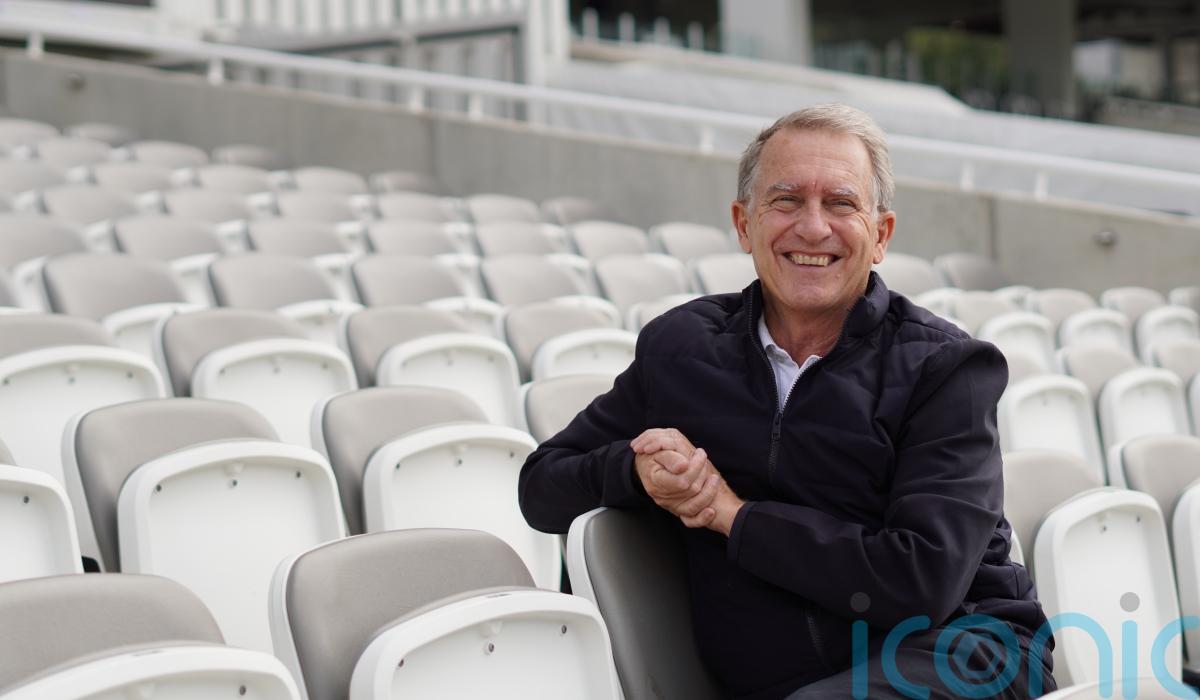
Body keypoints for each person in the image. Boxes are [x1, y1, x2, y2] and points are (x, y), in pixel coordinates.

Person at [518, 104, 1055, 699]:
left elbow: (920, 582)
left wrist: (732, 515)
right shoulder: (681, 348)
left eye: (841, 204)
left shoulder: (946, 368)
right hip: (783, 681)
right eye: (787, 200)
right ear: (743, 224)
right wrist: (635, 470)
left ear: (880, 235)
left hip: (962, 648)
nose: (813, 228)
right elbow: (542, 488)